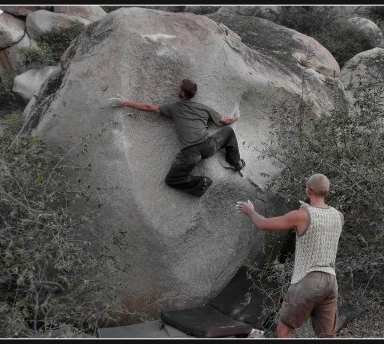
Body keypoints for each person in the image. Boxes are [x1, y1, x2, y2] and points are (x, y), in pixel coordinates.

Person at [236, 174, 344, 338]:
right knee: (327, 335)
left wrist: (250, 211)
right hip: (331, 282)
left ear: (308, 191)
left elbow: (263, 224)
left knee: (284, 330)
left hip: (308, 280)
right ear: (327, 192)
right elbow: (322, 226)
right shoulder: (339, 216)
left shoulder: (301, 215)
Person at [109, 79, 245, 196]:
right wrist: (235, 118)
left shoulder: (174, 108)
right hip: (208, 146)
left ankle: (202, 182)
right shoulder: (203, 108)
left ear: (182, 93)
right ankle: (236, 162)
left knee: (172, 180)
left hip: (190, 154)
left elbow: (148, 106)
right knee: (228, 132)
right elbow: (225, 121)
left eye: (178, 87)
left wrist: (125, 102)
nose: (177, 88)